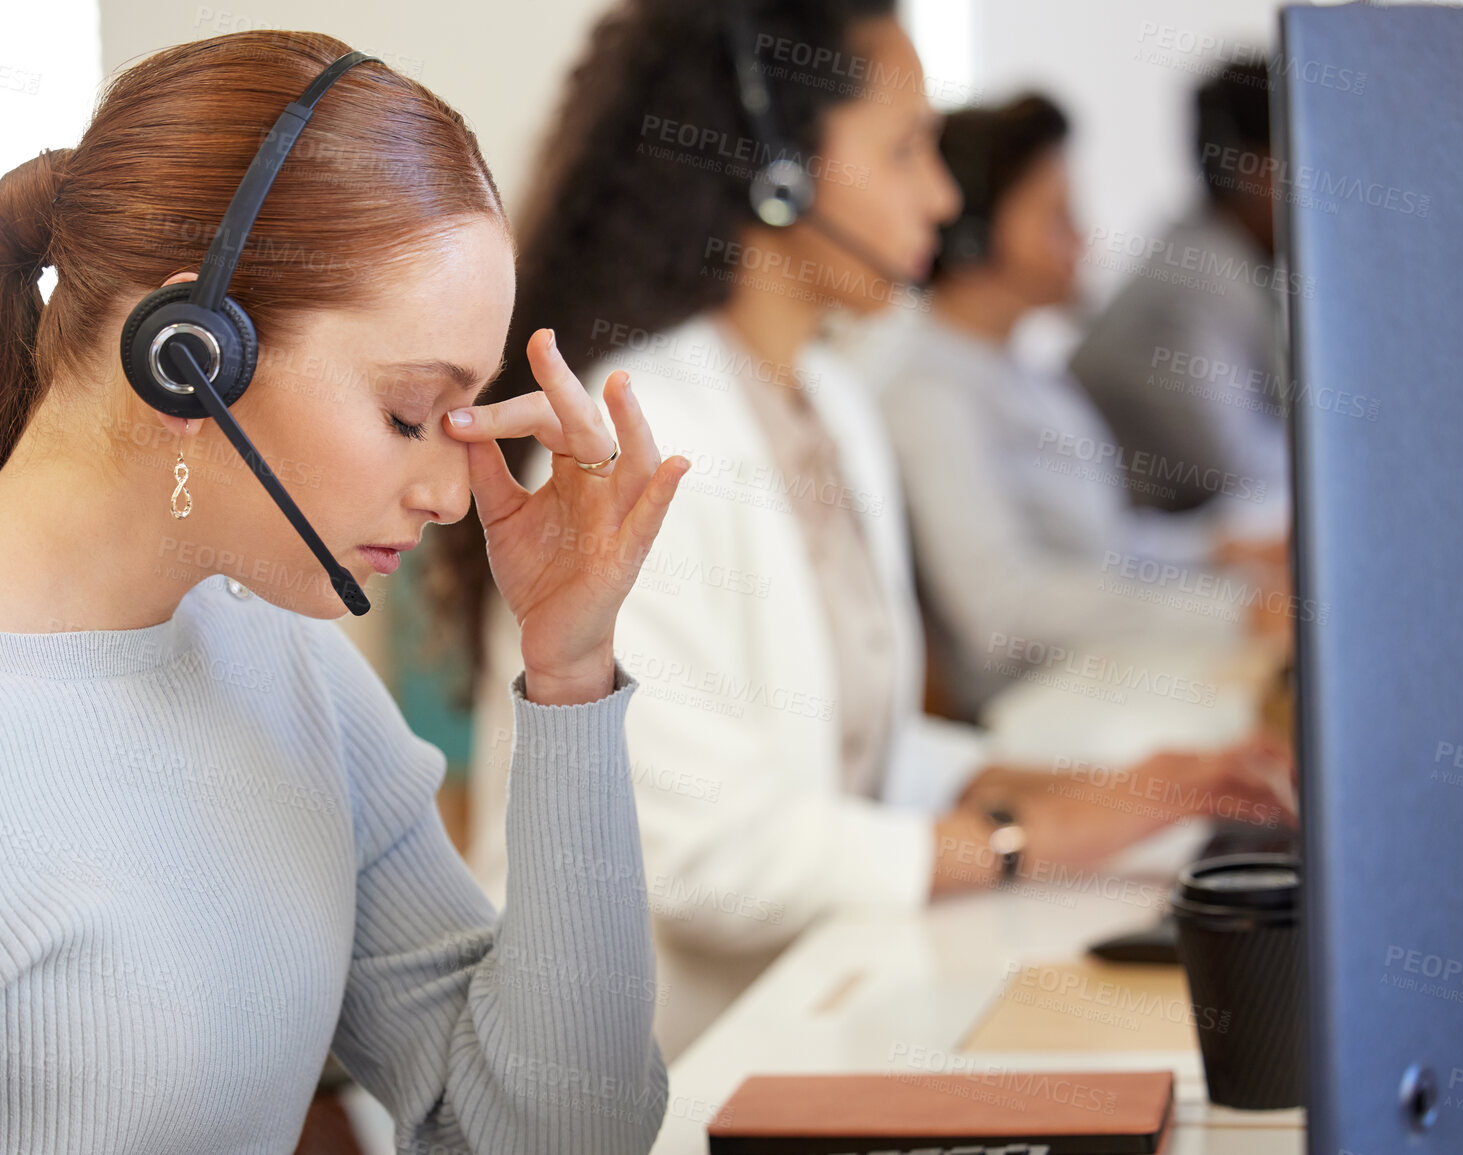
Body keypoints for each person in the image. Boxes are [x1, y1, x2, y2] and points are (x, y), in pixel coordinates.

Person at [0, 30, 689, 1155]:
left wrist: (568, 675)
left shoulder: (294, 671)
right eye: (410, 413)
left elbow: (561, 1135)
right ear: (190, 354)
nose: (450, 493)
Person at [432, 1, 1295, 1059]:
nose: (941, 194)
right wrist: (1022, 842)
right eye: (904, 149)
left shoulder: (829, 401)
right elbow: (703, 852)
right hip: (642, 1066)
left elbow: (842, 755)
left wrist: (1095, 795)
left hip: (806, 1017)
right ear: (776, 175)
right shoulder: (632, 434)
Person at [854, 93, 1280, 721]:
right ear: (973, 236)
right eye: (1057, 216)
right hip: (1037, 702)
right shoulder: (926, 394)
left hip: (1098, 670)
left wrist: (1218, 550)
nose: (1082, 235)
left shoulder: (1025, 372)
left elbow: (1097, 546)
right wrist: (1230, 608)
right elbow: (1000, 613)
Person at [1069, 61, 1292, 535]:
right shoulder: (1191, 287)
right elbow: (1230, 468)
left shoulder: (1226, 265)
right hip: (1131, 568)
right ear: (1257, 170)